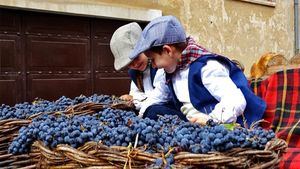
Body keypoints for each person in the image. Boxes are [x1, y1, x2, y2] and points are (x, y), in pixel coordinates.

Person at [130, 16, 266, 126]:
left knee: (155, 114)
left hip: (222, 123)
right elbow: (158, 95)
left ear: (167, 50)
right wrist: (138, 117)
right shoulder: (170, 70)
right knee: (153, 111)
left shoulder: (206, 67)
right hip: (192, 123)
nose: (153, 66)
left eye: (153, 59)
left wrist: (210, 120)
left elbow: (235, 100)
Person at [110, 22, 187, 121]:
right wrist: (132, 98)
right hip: (149, 105)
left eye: (136, 58)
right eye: (129, 64)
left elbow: (160, 95)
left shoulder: (160, 63)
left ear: (145, 49)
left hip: (172, 107)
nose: (135, 65)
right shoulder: (134, 73)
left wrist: (138, 103)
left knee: (152, 111)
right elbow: (135, 92)